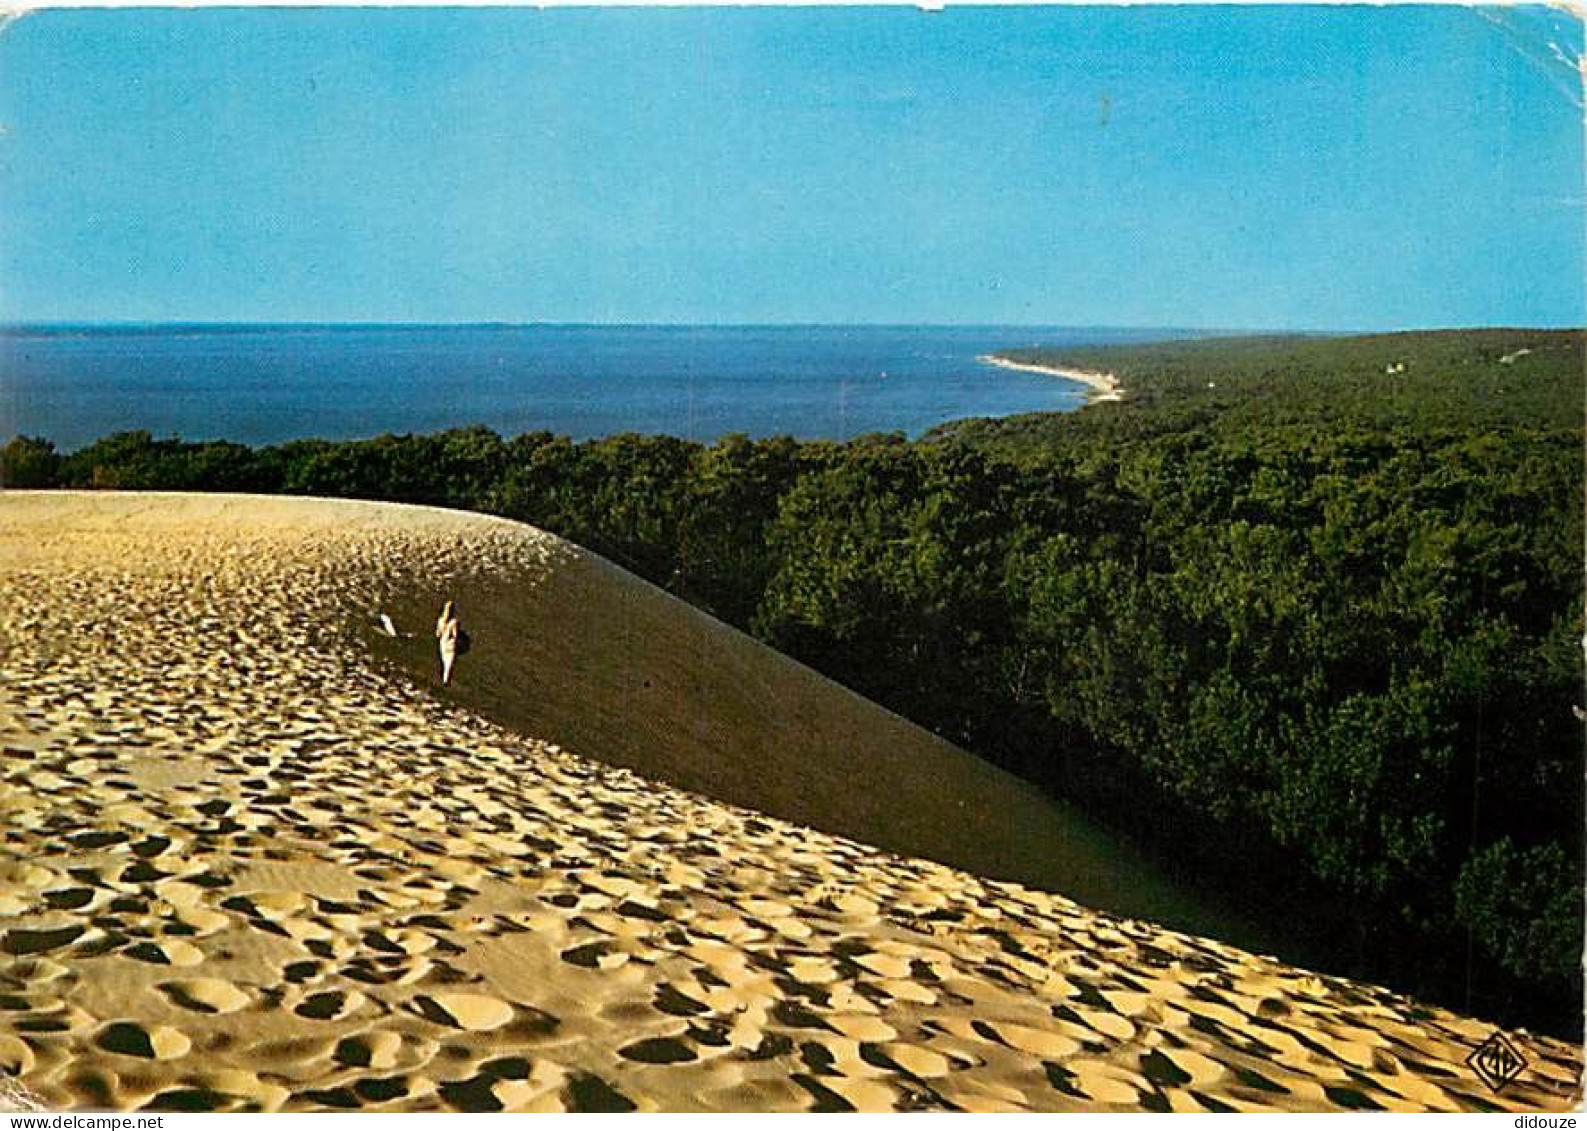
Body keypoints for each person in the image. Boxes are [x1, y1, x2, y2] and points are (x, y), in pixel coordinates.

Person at [436, 601, 462, 685]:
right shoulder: (454, 622)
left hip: (443, 643)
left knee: (444, 662)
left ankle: (444, 679)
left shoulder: (440, 620)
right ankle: (446, 681)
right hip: (451, 644)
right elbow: (455, 635)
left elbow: (438, 634)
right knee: (449, 665)